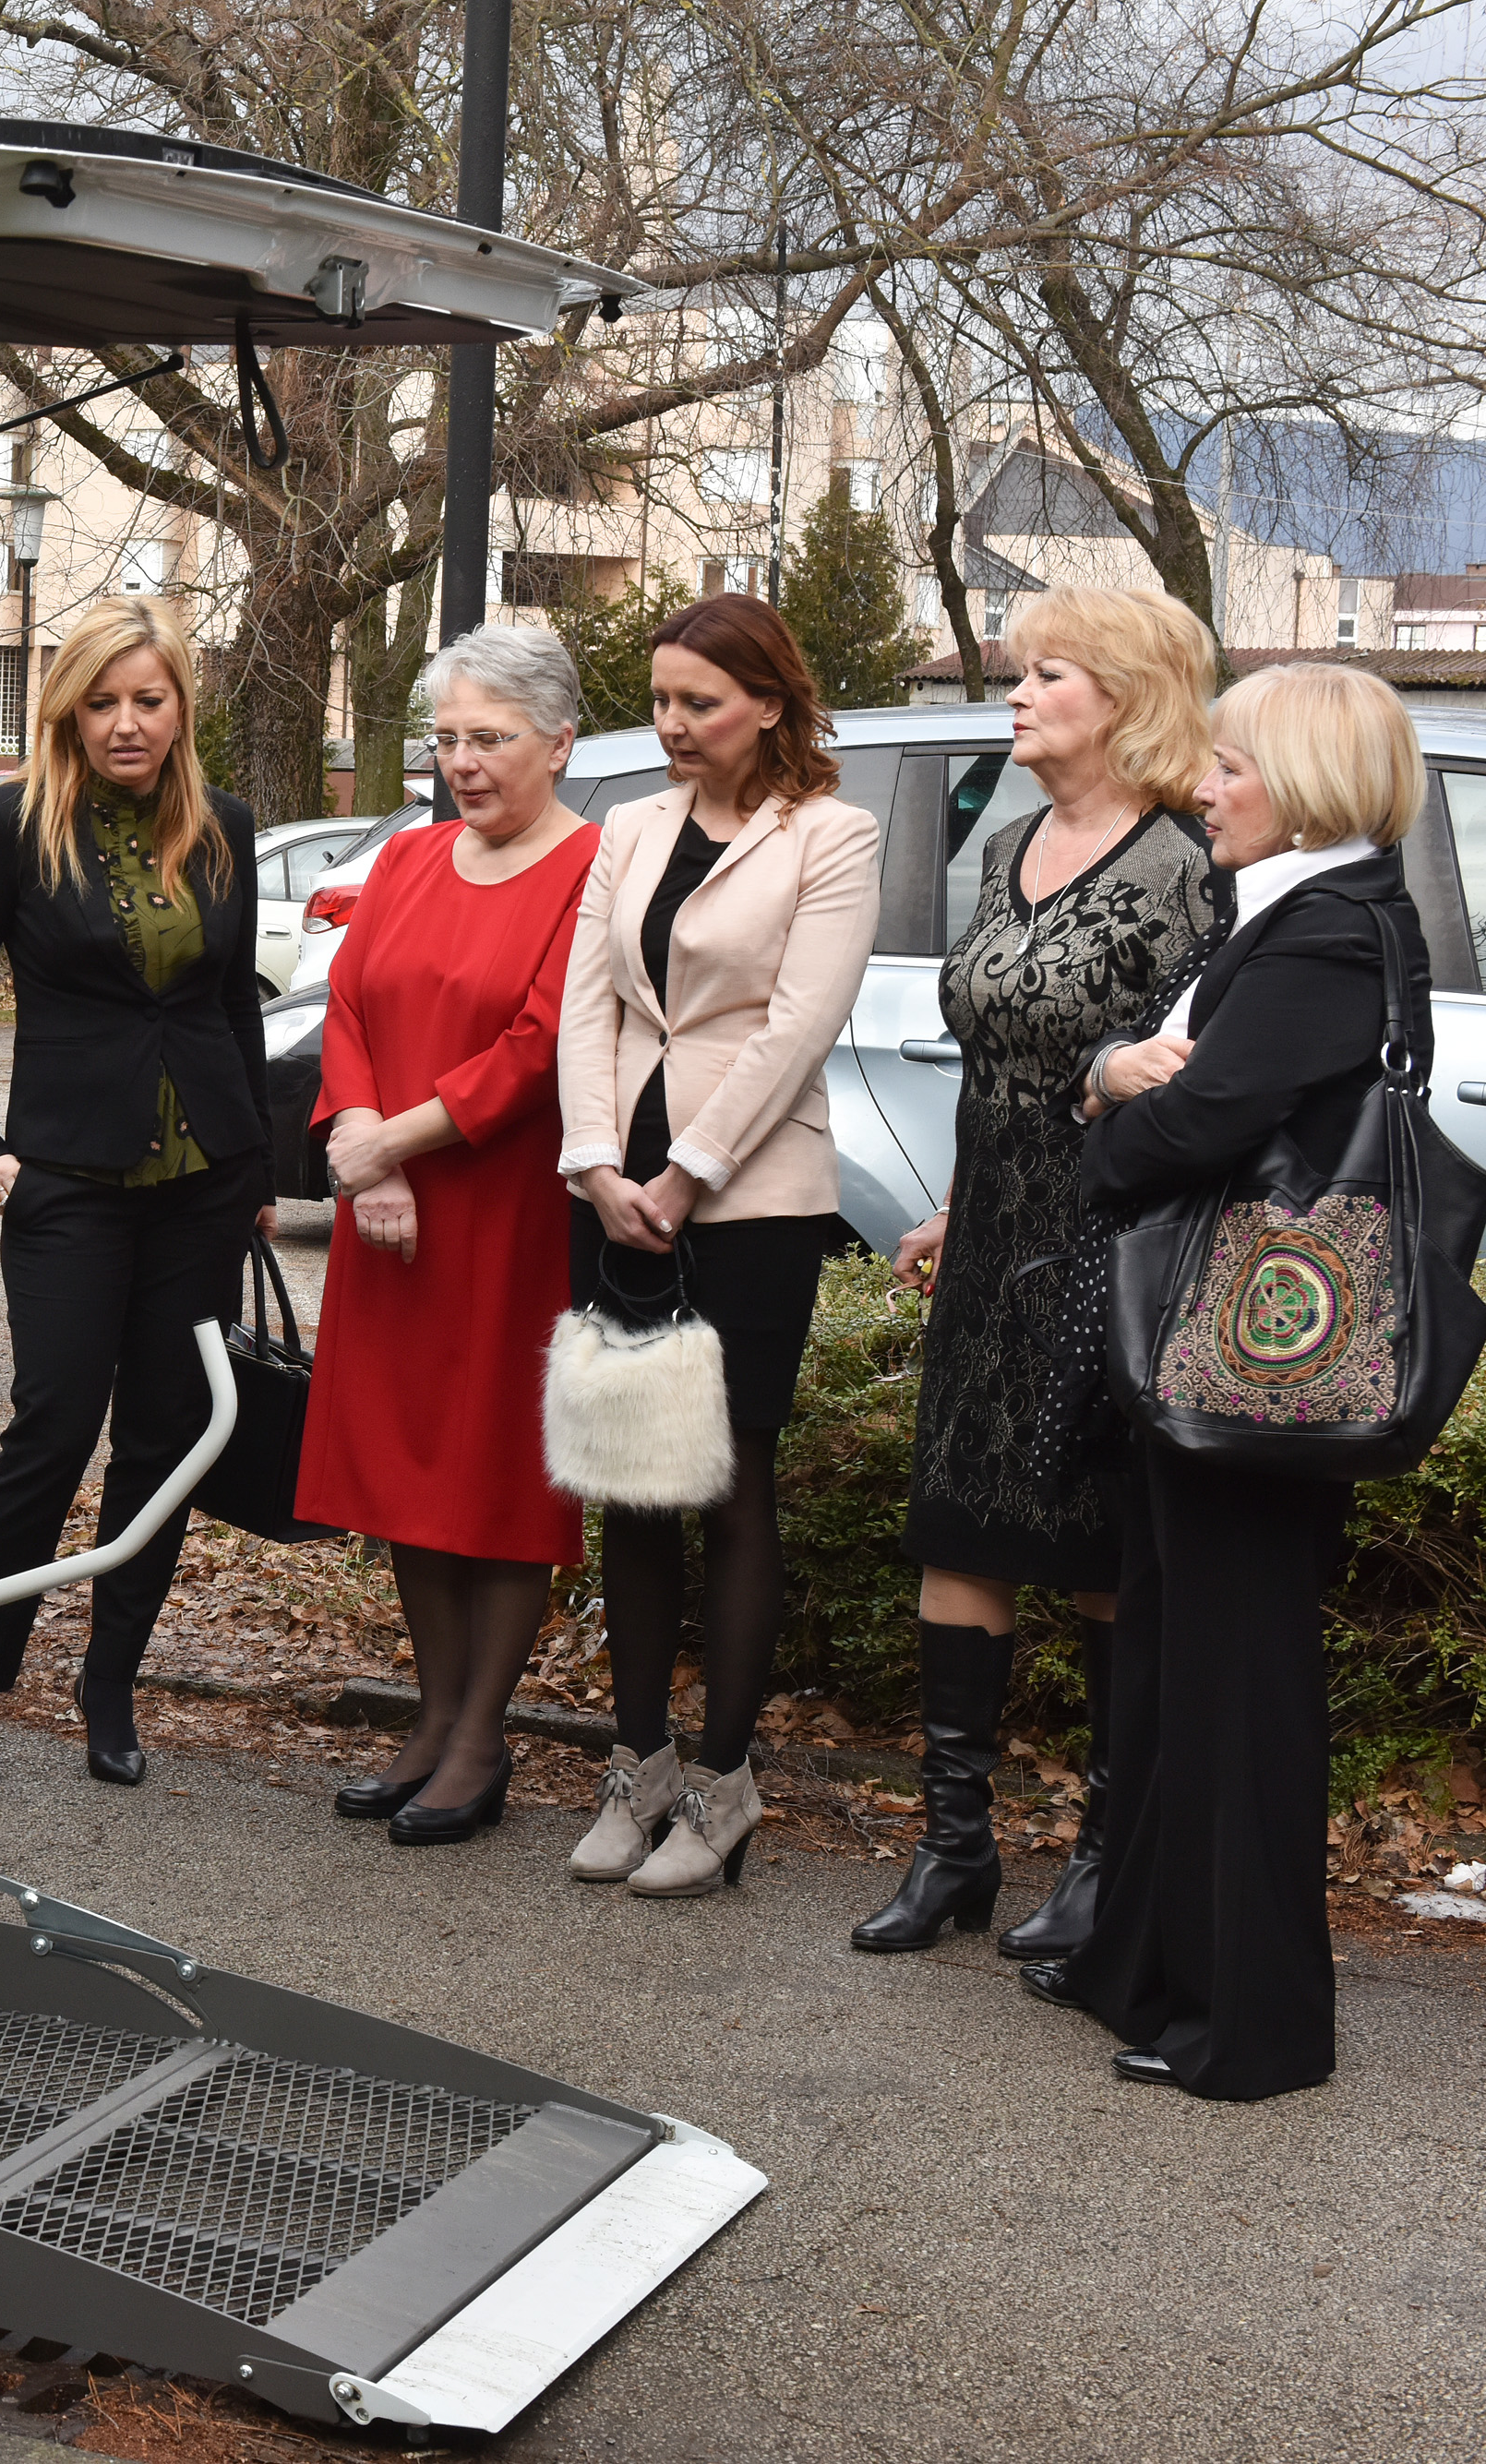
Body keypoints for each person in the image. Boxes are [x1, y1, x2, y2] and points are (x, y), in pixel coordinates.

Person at [1027, 664, 1430, 2099]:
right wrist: (1118, 1078)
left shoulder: (1330, 929)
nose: (1204, 788)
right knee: (1173, 1656)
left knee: (1236, 1678)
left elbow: (1200, 1116)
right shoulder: (1297, 910)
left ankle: (1252, 2027)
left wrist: (1102, 1110)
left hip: (1258, 1368)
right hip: (1227, 1347)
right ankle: (1147, 1963)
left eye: (1232, 767)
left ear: (1310, 782)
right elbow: (1188, 1088)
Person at [858, 588, 1228, 1957]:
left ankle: (1105, 1857)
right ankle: (953, 1845)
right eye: (1020, 673)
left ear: (1126, 696)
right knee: (959, 1527)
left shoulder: (1193, 866)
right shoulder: (1008, 842)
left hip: (1110, 1248)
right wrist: (955, 1207)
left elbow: (1200, 1075)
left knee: (1098, 1550)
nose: (1015, 695)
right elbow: (995, 1061)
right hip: (993, 1245)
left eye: (1047, 673)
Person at [553, 593, 881, 1896]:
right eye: (661, 700)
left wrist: (686, 1175)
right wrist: (595, 1162)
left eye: (699, 701)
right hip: (611, 1190)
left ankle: (726, 1786)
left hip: (748, 1199)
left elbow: (798, 1025)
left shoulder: (832, 835)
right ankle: (638, 1768)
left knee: (733, 1481)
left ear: (769, 704)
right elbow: (586, 1003)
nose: (673, 724)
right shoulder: (630, 827)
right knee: (628, 1480)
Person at [0, 597, 270, 1790]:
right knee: (54, 1427)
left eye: (148, 700)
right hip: (66, 1177)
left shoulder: (223, 825)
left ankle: (109, 1685)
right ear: (68, 711)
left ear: (180, 708)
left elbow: (231, 1002)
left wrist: (256, 1164)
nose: (126, 723)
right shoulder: (15, 823)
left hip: (202, 1183)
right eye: (103, 702)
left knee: (164, 1441)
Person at [302, 627, 603, 1847]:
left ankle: (482, 1736)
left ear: (560, 742)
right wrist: (362, 1143)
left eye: (490, 738)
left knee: (496, 1475)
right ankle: (431, 1718)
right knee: (403, 1469)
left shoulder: (591, 866)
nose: (462, 762)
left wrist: (394, 1143)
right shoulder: (411, 854)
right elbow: (347, 1004)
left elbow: (538, 1046)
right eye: (447, 739)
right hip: (389, 1210)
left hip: (505, 1211)